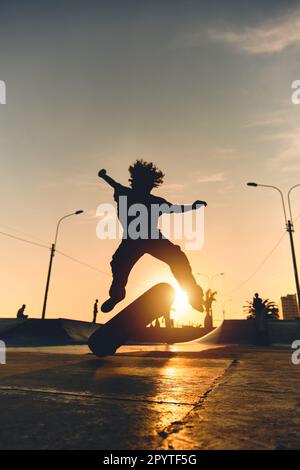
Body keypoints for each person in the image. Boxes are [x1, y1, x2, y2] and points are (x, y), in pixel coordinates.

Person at [98, 159, 207, 314]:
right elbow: (176, 209)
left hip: (139, 239)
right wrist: (193, 207)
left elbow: (175, 209)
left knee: (176, 258)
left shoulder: (128, 193)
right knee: (119, 264)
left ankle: (194, 296)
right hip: (142, 239)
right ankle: (117, 295)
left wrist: (103, 176)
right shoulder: (138, 196)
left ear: (149, 185)